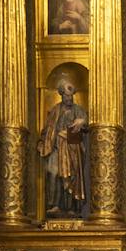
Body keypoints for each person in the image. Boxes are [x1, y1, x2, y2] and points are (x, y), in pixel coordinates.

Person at [38, 80, 88, 217]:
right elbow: (47, 129)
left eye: (70, 96)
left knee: (72, 176)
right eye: (66, 96)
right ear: (61, 96)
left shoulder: (78, 110)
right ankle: (54, 205)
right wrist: (43, 142)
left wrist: (82, 122)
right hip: (56, 148)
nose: (69, 98)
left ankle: (71, 207)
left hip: (72, 148)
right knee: (53, 175)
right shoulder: (55, 110)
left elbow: (87, 122)